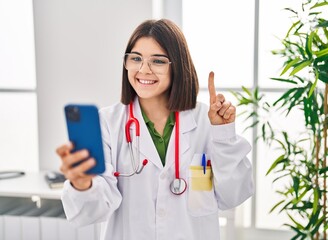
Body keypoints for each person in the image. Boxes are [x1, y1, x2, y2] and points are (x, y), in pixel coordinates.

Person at [56, 18, 254, 240]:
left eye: (158, 61)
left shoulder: (207, 121)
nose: (143, 69)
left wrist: (224, 135)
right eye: (136, 58)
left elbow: (233, 195)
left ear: (177, 65)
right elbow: (92, 212)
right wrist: (83, 184)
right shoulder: (109, 123)